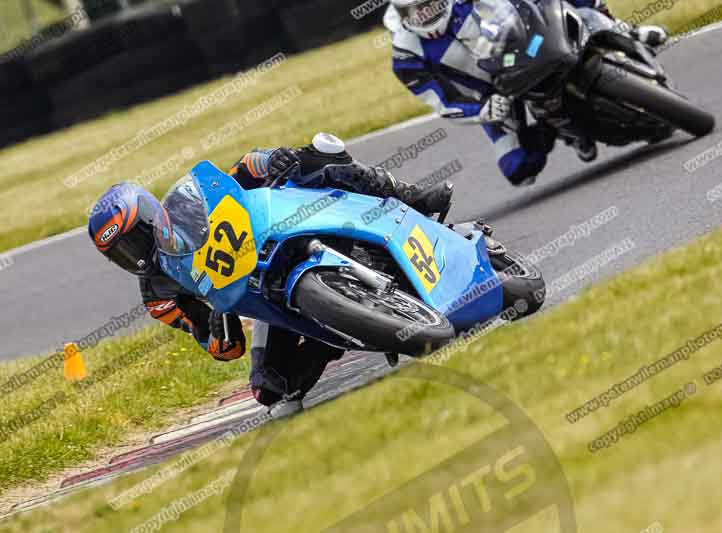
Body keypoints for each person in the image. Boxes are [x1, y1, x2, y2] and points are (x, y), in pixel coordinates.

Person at [87, 133, 453, 417]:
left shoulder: (186, 207)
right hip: (268, 295)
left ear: (151, 216)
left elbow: (243, 169)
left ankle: (414, 197)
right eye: (122, 252)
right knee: (271, 390)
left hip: (286, 228)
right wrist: (218, 325)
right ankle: (350, 324)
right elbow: (220, 348)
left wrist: (271, 160)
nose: (135, 253)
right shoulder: (158, 296)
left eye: (135, 238)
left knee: (319, 160)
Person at [386, 0, 668, 186]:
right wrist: (482, 110)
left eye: (427, 5)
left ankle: (627, 30)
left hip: (524, 48)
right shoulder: (406, 54)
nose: (423, 15)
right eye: (412, 12)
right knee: (519, 171)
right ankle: (557, 128)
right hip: (495, 93)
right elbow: (441, 102)